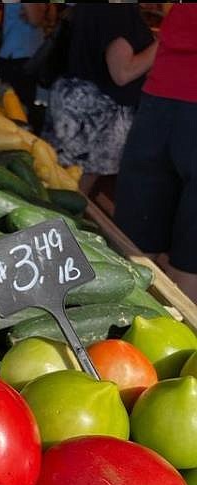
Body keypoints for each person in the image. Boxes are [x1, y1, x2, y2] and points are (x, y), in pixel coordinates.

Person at [114, 4, 197, 303]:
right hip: (163, 96)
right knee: (183, 252)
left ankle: (131, 332)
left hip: (160, 99)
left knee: (137, 240)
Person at [42, 3, 158, 195]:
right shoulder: (117, 9)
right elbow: (122, 72)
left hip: (77, 104)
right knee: (68, 191)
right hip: (93, 114)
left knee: (57, 182)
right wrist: (161, 43)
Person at [0, 1, 51, 131]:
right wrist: (42, 12)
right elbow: (36, 19)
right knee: (21, 114)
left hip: (20, 54)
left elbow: (47, 16)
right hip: (19, 56)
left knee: (20, 111)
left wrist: (41, 13)